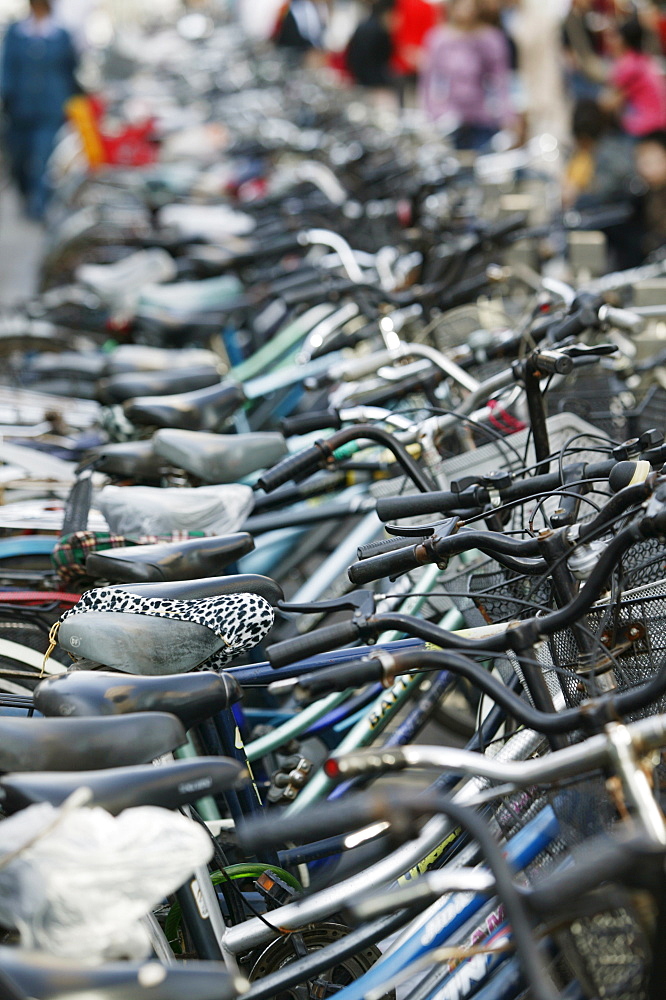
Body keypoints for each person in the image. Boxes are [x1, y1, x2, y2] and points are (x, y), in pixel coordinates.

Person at [1, 0, 79, 220]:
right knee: (18, 159)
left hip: (51, 108)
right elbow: (6, 66)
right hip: (19, 108)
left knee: (43, 157)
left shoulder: (61, 34)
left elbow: (71, 68)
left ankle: (39, 205)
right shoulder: (17, 32)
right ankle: (27, 195)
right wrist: (5, 95)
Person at [418, 0, 514, 151]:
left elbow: (500, 81)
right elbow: (430, 80)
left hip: (482, 117)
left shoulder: (490, 39)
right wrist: (431, 113)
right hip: (448, 118)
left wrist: (507, 115)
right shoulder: (439, 39)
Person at [346, 1, 395, 92]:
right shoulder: (380, 31)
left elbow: (350, 57)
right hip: (376, 85)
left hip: (359, 81)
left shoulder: (362, 26)